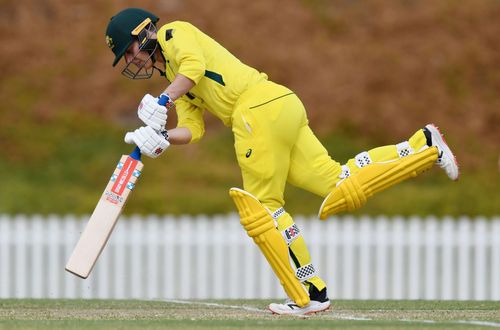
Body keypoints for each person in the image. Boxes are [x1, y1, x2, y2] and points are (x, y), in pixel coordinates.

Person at [105, 8, 459, 315]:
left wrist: (162, 101)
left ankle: (309, 294)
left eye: (129, 50)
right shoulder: (173, 78)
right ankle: (421, 145)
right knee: (339, 180)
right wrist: (163, 138)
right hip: (280, 104)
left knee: (263, 208)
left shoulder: (173, 32)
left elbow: (194, 67)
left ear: (144, 32)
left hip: (255, 112)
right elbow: (193, 129)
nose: (131, 59)